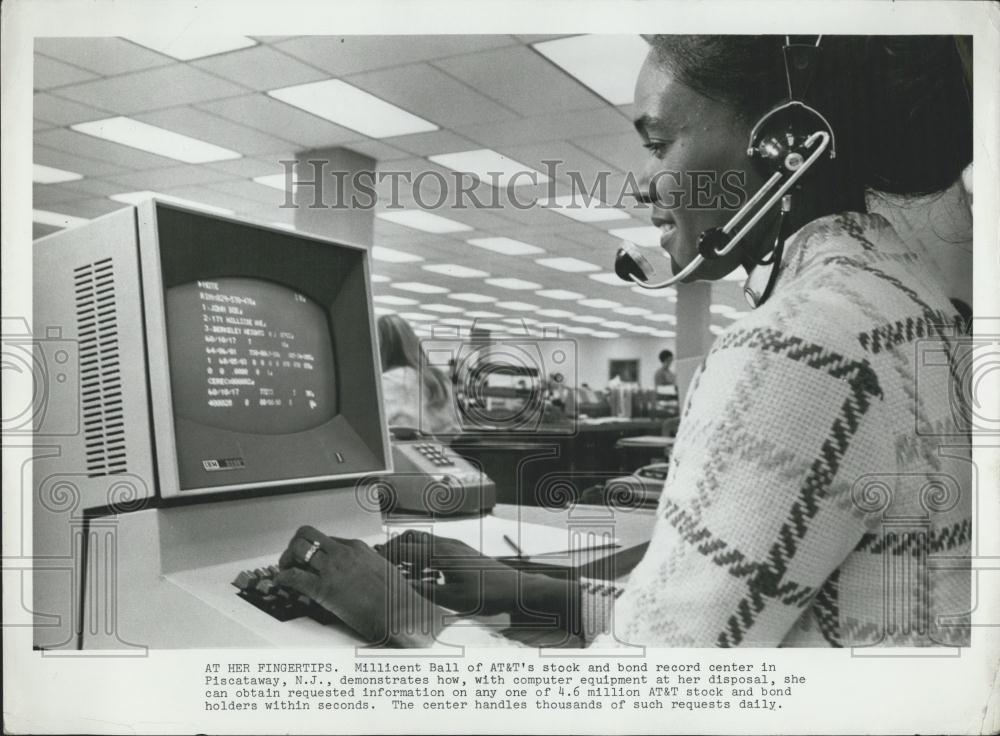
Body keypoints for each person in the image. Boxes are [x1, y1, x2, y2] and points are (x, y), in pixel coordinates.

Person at [276, 36, 972, 648]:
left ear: (783, 141)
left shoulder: (798, 341)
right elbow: (711, 625)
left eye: (659, 142)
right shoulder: (913, 304)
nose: (644, 183)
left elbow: (637, 697)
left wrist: (403, 612)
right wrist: (524, 588)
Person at [376, 314, 461, 436]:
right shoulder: (439, 379)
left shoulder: (388, 381)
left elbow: (374, 431)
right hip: (437, 452)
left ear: (380, 347)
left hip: (399, 453)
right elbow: (454, 430)